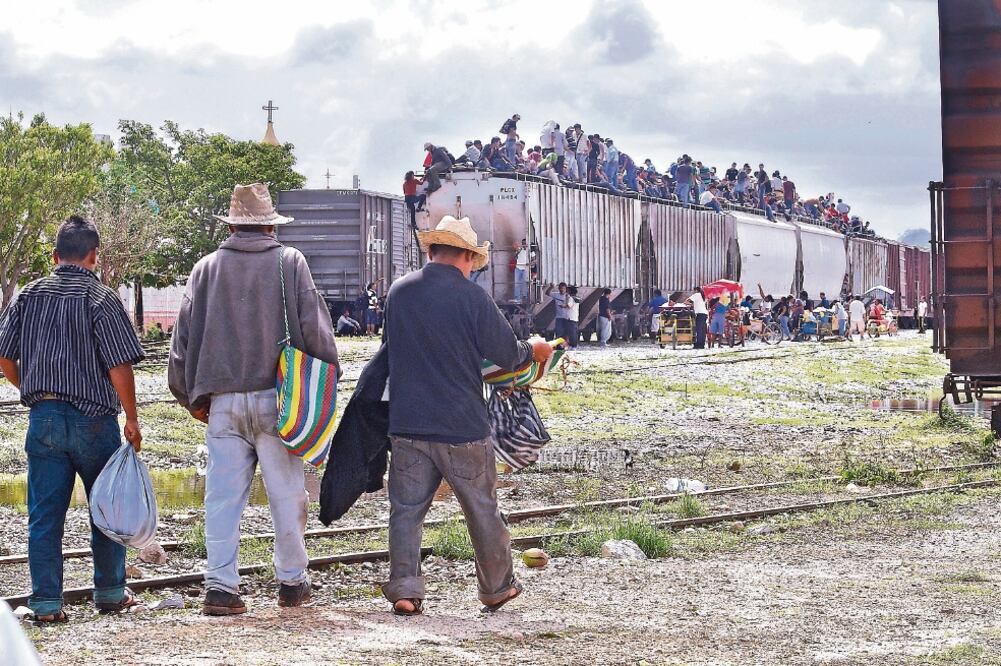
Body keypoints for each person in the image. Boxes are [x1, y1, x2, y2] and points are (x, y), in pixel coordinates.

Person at [168, 183, 339, 615]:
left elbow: (181, 344)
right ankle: (292, 583)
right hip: (278, 399)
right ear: (269, 225)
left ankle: (221, 588)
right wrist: (319, 388)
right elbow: (316, 331)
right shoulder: (290, 262)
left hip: (221, 402)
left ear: (231, 224)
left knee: (222, 498)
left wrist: (191, 398)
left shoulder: (204, 268)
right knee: (287, 495)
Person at [382, 215, 553, 616]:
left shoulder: (399, 292)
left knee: (406, 510)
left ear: (431, 250)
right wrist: (536, 349)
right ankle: (496, 587)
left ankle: (405, 590)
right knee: (481, 508)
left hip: (407, 422)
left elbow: (390, 350)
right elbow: (508, 353)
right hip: (461, 425)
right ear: (465, 257)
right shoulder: (470, 296)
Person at [0, 215, 145, 622]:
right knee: (106, 507)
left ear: (54, 256)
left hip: (43, 418)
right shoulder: (102, 299)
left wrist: (31, 388)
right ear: (94, 256)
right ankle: (111, 593)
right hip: (94, 420)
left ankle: (46, 604)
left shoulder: (28, 295)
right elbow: (120, 365)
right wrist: (131, 418)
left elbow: (4, 356)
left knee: (44, 515)